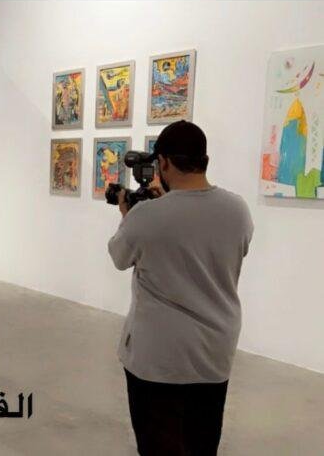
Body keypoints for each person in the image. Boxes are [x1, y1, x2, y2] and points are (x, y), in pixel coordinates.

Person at [107, 120, 254, 455]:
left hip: (158, 358)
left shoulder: (146, 216)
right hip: (214, 353)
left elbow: (119, 256)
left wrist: (128, 214)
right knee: (202, 443)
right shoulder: (238, 210)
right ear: (205, 160)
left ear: (164, 163)